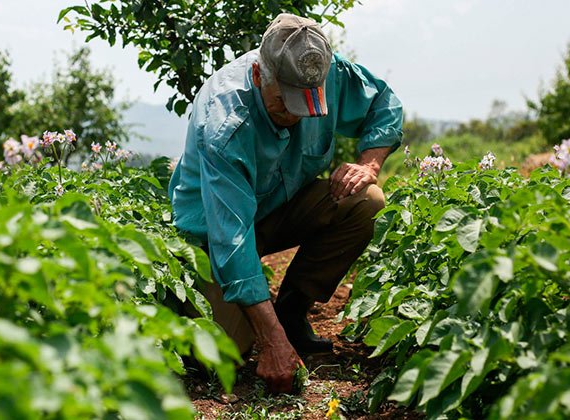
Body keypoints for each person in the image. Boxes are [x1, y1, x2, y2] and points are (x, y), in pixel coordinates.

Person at [169, 13, 403, 393]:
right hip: (215, 233)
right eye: (284, 103)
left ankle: (291, 313)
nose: (295, 115)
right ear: (261, 76)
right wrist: (270, 342)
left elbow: (385, 104)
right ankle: (267, 327)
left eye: (307, 104)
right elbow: (231, 240)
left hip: (280, 207)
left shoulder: (328, 72)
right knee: (218, 357)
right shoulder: (226, 122)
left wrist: (368, 164)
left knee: (366, 200)